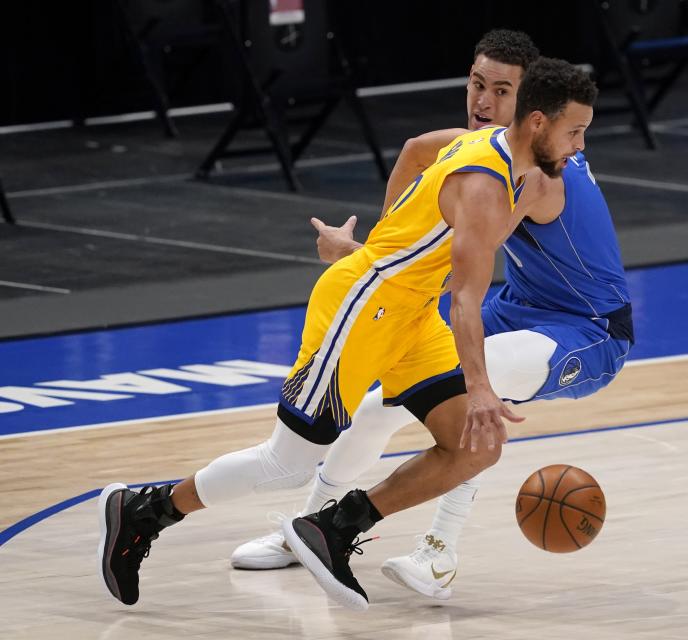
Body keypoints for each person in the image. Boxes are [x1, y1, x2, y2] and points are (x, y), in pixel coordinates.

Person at [97, 55, 597, 611]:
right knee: (286, 462)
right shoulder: (486, 185)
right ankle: (143, 511)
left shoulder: (498, 154)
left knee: (476, 444)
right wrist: (479, 385)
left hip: (405, 314)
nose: (578, 146)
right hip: (365, 308)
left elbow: (414, 178)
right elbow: (464, 299)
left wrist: (368, 251)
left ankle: (333, 528)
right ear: (537, 124)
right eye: (573, 131)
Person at [231, 30, 634, 602]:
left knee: (477, 391)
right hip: (519, 308)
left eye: (502, 91)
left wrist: (364, 262)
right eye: (477, 84)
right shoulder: (487, 149)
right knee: (376, 407)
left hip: (588, 331)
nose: (484, 102)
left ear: (536, 112)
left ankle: (438, 553)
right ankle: (307, 530)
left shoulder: (540, 175)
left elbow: (453, 276)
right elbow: (417, 148)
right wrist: (378, 240)